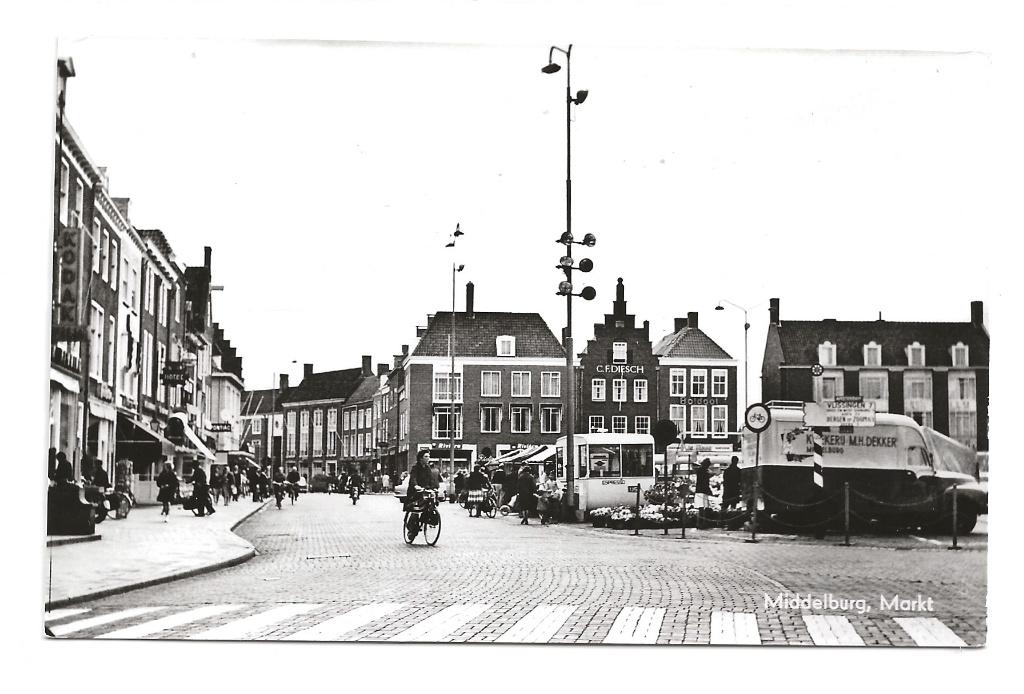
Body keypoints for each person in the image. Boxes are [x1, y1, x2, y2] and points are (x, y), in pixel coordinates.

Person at [404, 451, 438, 539]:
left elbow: (431, 479)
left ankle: (426, 520)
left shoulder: (427, 468)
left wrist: (434, 487)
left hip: (425, 490)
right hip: (415, 492)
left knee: (429, 505)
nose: (428, 458)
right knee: (416, 509)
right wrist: (416, 486)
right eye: (426, 456)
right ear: (421, 458)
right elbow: (413, 478)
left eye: (428, 456)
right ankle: (411, 527)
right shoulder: (415, 468)